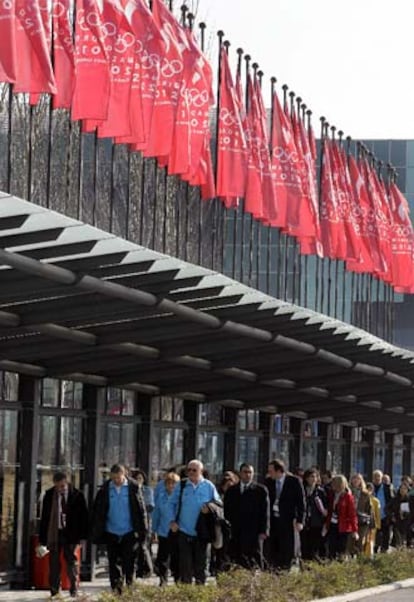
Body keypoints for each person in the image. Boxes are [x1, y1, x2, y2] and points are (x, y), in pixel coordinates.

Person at [91, 464, 148, 594]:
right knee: (113, 563)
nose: (117, 480)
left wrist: (143, 530)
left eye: (119, 478)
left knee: (129, 562)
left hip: (129, 531)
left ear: (125, 475)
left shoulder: (133, 488)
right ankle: (117, 590)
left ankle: (129, 586)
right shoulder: (105, 489)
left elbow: (141, 510)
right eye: (114, 478)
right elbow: (98, 511)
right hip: (111, 531)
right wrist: (97, 530)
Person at [168, 459, 221, 585]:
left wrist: (209, 508)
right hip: (184, 531)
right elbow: (171, 504)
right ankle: (186, 595)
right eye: (189, 470)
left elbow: (219, 504)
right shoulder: (181, 485)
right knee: (185, 566)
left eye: (194, 470)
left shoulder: (208, 486)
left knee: (200, 566)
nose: (191, 472)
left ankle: (199, 594)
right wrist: (172, 521)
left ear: (201, 471)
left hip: (202, 533)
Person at [39, 471, 88, 599]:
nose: (60, 489)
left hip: (71, 534)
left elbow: (84, 517)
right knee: (54, 563)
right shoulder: (49, 495)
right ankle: (54, 590)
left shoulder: (77, 495)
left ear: (66, 483)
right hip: (55, 533)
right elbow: (45, 518)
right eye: (57, 486)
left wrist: (82, 537)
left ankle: (73, 589)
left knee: (71, 562)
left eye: (62, 486)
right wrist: (42, 539)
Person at [224, 463, 269, 569]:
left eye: (250, 472)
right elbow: (227, 510)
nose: (248, 475)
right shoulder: (232, 490)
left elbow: (265, 512)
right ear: (240, 473)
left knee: (254, 560)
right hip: (236, 531)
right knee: (236, 558)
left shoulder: (260, 490)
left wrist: (264, 530)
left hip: (253, 531)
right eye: (245, 472)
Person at [265, 459, 305, 570]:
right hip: (273, 520)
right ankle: (273, 569)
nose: (269, 473)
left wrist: (300, 520)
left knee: (286, 547)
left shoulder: (294, 481)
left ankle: (284, 569)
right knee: (272, 548)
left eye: (271, 471)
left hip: (287, 520)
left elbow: (301, 502)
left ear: (279, 471)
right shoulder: (268, 482)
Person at [152, 472, 180, 586]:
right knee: (163, 557)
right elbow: (156, 514)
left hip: (178, 531)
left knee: (176, 558)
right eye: (169, 483)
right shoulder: (161, 497)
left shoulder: (181, 497)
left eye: (174, 483)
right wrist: (154, 530)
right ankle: (163, 580)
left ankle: (178, 580)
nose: (171, 486)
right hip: (164, 530)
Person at [324, 475, 358, 560]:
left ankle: (340, 564)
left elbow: (352, 514)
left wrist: (354, 529)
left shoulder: (347, 496)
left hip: (343, 527)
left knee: (341, 549)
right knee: (331, 547)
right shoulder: (332, 495)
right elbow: (330, 511)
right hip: (332, 524)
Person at [301, 468, 327, 561]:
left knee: (314, 547)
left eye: (315, 477)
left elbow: (326, 508)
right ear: (306, 478)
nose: (313, 479)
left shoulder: (320, 492)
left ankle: (312, 566)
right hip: (304, 522)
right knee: (304, 546)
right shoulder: (302, 490)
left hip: (316, 523)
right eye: (311, 476)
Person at [131, 469, 154, 578]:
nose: (138, 481)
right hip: (133, 524)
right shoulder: (130, 491)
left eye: (140, 478)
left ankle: (146, 569)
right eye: (136, 478)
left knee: (143, 546)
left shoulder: (147, 490)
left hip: (145, 523)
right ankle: (135, 570)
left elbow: (150, 506)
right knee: (133, 548)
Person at [349, 473, 372, 555]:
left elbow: (369, 509)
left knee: (360, 540)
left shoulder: (365, 494)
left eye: (358, 478)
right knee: (350, 541)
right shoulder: (347, 491)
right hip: (349, 519)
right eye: (354, 478)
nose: (356, 480)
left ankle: (359, 560)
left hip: (362, 520)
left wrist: (370, 522)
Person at [372, 469, 394, 552]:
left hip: (384, 515)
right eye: (375, 477)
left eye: (379, 476)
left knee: (386, 534)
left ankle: (384, 550)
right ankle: (375, 548)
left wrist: (389, 512)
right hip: (373, 516)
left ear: (381, 478)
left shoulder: (387, 488)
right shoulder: (371, 487)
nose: (377, 478)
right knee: (375, 534)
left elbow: (391, 500)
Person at [387, 482, 413, 548]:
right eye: (401, 488)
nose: (403, 490)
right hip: (398, 523)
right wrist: (392, 516)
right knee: (398, 543)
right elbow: (387, 509)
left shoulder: (411, 499)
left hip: (408, 524)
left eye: (405, 489)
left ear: (407, 490)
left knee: (408, 544)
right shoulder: (395, 499)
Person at [364, 482, 381, 558]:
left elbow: (378, 514)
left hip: (373, 524)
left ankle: (369, 556)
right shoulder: (362, 499)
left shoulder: (375, 501)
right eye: (368, 489)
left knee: (371, 541)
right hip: (364, 523)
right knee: (364, 540)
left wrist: (378, 525)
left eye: (370, 489)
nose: (369, 491)